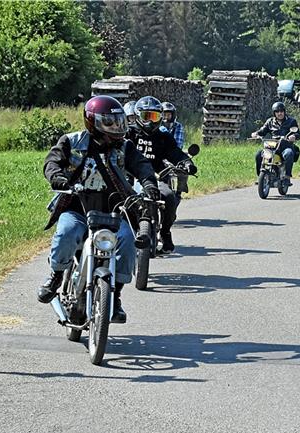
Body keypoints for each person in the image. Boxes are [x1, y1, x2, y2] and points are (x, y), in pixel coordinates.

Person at [38, 95, 160, 323]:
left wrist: (150, 185)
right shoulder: (71, 141)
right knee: (67, 232)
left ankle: (117, 295)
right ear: (93, 122)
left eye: (119, 121)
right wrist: (58, 178)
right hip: (78, 207)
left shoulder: (126, 147)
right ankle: (55, 275)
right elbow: (52, 161)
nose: (117, 127)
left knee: (127, 241)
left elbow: (142, 166)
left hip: (114, 210)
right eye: (109, 122)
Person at [126, 95, 197, 254]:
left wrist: (187, 163)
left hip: (156, 175)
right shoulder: (128, 133)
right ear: (138, 115)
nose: (151, 121)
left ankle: (165, 232)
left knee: (169, 197)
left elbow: (175, 152)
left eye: (155, 116)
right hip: (130, 176)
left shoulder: (163, 136)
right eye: (146, 116)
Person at [251, 101, 300, 186]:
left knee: (289, 153)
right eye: (277, 112)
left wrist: (294, 137)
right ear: (274, 113)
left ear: (284, 112)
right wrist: (256, 134)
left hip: (285, 146)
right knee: (258, 155)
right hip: (272, 146)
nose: (279, 113)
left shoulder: (291, 121)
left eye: (281, 111)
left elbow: (298, 134)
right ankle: (260, 177)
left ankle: (287, 177)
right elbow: (262, 131)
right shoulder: (270, 121)